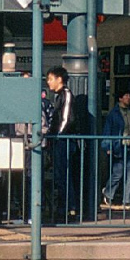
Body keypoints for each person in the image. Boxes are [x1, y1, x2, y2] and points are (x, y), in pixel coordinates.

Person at [44, 66, 80, 222]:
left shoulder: (65, 95)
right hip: (60, 140)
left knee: (63, 175)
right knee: (61, 175)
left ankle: (68, 208)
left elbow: (66, 118)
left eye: (50, 79)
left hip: (63, 140)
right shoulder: (59, 96)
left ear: (60, 79)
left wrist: (58, 135)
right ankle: (65, 207)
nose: (48, 82)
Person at [101, 88, 130, 210]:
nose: (128, 97)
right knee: (117, 174)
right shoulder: (113, 114)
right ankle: (108, 193)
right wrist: (108, 146)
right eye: (126, 95)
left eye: (129, 95)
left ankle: (128, 201)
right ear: (120, 98)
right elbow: (108, 131)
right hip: (119, 147)